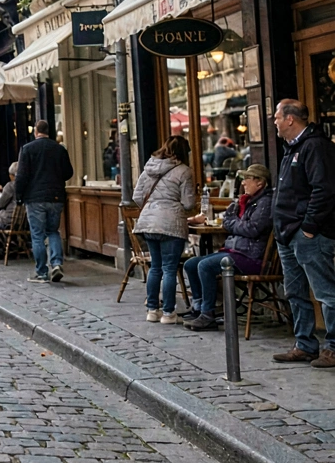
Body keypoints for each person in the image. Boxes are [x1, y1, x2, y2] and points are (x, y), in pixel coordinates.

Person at [270, 100, 335, 367]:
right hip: (287, 233)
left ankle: (333, 346)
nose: (274, 121)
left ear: (290, 119)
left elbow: (325, 190)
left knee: (325, 291)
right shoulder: (291, 148)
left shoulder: (315, 146)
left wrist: (308, 227)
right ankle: (305, 344)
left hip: (309, 233)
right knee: (295, 291)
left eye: (277, 117)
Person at [182, 164, 272, 332]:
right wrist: (235, 219)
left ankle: (208, 314)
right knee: (191, 264)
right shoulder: (246, 201)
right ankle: (199, 306)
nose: (243, 183)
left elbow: (252, 229)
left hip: (250, 256)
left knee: (206, 266)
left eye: (247, 179)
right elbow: (228, 220)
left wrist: (233, 223)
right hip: (236, 250)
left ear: (260, 183)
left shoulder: (265, 202)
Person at [132, 135, 195, 323]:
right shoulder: (184, 171)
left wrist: (153, 204)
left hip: (149, 222)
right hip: (171, 224)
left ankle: (152, 310)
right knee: (169, 269)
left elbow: (136, 196)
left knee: (155, 268)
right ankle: (168, 313)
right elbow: (188, 202)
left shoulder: (149, 168)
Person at [15, 120, 75, 283]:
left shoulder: (28, 149)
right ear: (50, 132)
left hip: (35, 198)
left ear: (35, 131)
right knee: (53, 231)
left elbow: (21, 176)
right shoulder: (59, 149)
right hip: (55, 196)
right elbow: (69, 172)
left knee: (37, 235)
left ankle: (41, 271)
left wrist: (18, 196)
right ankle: (56, 263)